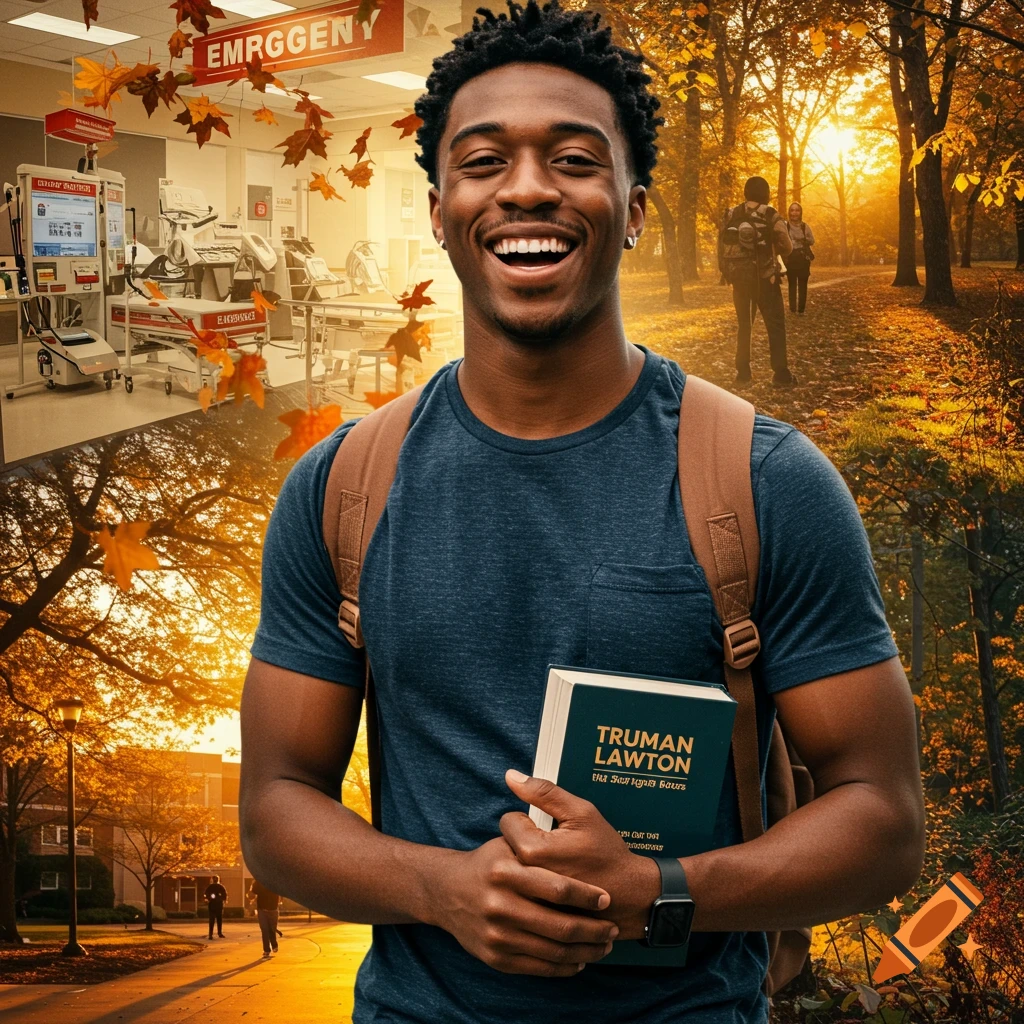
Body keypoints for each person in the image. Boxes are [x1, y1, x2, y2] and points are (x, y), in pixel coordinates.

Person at [239, 3, 925, 1023]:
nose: (525, 188)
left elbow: (882, 820)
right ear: (436, 210)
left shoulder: (764, 481)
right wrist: (443, 889)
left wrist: (658, 894)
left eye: (571, 158)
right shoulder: (343, 487)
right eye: (482, 161)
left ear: (634, 207)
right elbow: (276, 806)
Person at [719, 176, 796, 386]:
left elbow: (722, 243)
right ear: (766, 193)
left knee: (744, 325)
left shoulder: (732, 213)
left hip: (739, 279)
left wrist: (727, 271)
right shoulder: (770, 214)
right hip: (766, 279)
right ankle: (781, 374)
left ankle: (743, 374)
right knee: (775, 325)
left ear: (745, 192)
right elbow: (787, 246)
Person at [784, 203, 815, 314]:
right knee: (792, 283)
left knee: (803, 283)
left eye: (797, 210)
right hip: (790, 258)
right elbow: (781, 239)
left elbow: (812, 240)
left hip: (802, 258)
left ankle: (801, 310)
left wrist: (801, 240)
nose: (794, 213)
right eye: (792, 210)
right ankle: (792, 309)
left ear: (800, 212)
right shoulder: (785, 225)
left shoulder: (804, 226)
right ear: (789, 212)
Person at [247, 877, 282, 957]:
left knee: (272, 929)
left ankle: (274, 945)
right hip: (262, 910)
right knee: (264, 930)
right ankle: (266, 950)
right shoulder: (259, 881)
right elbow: (252, 893)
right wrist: (253, 885)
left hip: (273, 909)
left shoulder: (275, 881)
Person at [203, 875, 227, 939]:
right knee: (219, 920)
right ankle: (219, 933)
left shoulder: (210, 887)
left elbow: (206, 895)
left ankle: (211, 934)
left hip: (212, 905)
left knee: (212, 920)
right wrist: (221, 899)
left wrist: (209, 899)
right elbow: (225, 896)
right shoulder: (220, 887)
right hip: (218, 905)